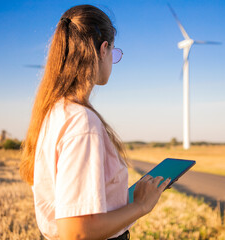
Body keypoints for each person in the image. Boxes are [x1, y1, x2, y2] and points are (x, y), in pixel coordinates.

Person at [19, 4, 171, 240]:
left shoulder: (54, 112)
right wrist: (140, 205)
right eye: (114, 52)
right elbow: (77, 232)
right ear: (103, 49)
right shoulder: (81, 122)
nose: (113, 59)